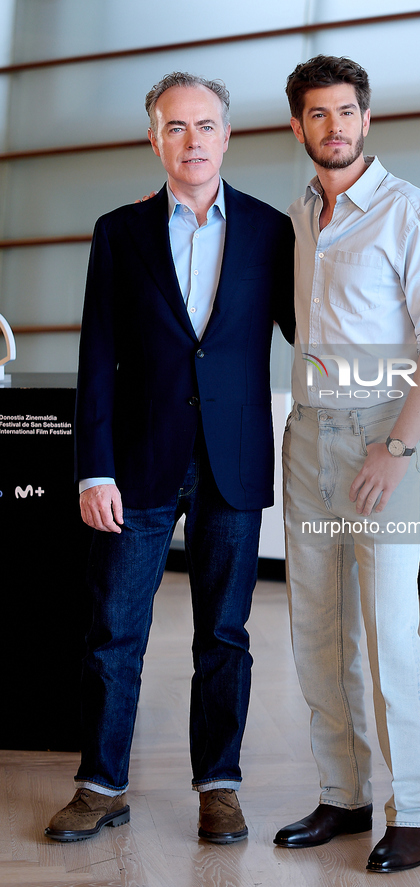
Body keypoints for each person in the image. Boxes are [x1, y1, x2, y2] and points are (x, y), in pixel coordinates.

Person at [45, 72, 294, 845]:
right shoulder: (117, 232)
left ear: (228, 135)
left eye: (205, 125)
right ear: (153, 137)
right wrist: (93, 466)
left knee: (224, 634)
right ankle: (101, 782)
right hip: (136, 464)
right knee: (113, 630)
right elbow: (98, 357)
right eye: (175, 126)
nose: (192, 141)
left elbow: (311, 332)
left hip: (233, 462)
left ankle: (219, 785)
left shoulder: (270, 230)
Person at [273, 56, 420, 873]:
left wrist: (396, 448)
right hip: (307, 437)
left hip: (382, 438)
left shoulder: (413, 214)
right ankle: (342, 794)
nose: (335, 127)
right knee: (316, 633)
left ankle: (414, 811)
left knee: (389, 635)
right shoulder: (296, 217)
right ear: (298, 126)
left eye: (347, 111)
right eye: (318, 114)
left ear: (368, 118)